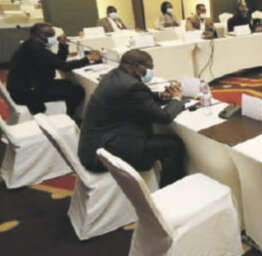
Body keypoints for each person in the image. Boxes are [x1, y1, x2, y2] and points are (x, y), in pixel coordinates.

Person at [78, 49, 186, 186]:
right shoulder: (132, 86)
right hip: (104, 153)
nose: (150, 72)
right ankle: (170, 189)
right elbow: (164, 117)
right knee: (173, 145)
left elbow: (138, 98)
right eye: (148, 68)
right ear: (136, 66)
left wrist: (161, 96)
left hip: (95, 145)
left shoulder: (114, 75)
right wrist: (176, 100)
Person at [7, 23, 101, 117]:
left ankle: (69, 112)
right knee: (77, 91)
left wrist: (62, 45)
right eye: (51, 35)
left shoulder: (29, 45)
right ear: (41, 36)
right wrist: (88, 58)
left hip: (25, 87)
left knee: (67, 84)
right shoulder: (38, 50)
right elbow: (64, 66)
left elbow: (57, 62)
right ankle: (69, 115)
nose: (54, 38)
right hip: (28, 93)